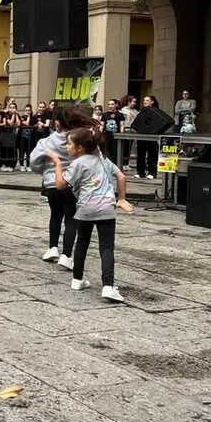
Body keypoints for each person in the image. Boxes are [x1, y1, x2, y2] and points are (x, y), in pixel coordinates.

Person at [49, 127, 132, 303]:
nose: (67, 147)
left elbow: (60, 185)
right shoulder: (104, 161)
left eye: (69, 144)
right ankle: (108, 286)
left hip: (85, 208)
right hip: (106, 209)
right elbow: (122, 177)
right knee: (106, 248)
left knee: (82, 243)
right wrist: (121, 198)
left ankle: (77, 279)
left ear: (80, 148)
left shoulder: (78, 163)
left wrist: (57, 164)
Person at [29, 108, 95, 271]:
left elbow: (33, 162)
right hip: (72, 183)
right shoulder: (78, 139)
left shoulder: (46, 142)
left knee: (55, 215)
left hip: (52, 183)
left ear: (57, 123)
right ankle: (66, 255)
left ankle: (52, 248)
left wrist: (45, 171)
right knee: (71, 218)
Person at [133, 95, 162, 179]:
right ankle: (140, 172)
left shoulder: (156, 111)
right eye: (144, 100)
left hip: (152, 136)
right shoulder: (142, 111)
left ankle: (152, 172)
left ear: (152, 102)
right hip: (142, 135)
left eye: (147, 100)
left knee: (152, 155)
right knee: (140, 155)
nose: (145, 102)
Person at [119, 95, 139, 171]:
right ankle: (123, 163)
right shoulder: (123, 110)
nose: (134, 103)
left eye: (135, 102)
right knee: (125, 147)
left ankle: (126, 164)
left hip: (133, 131)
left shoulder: (135, 111)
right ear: (129, 102)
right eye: (133, 102)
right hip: (126, 130)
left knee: (129, 147)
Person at [17, 105, 36, 171]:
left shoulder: (33, 118)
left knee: (29, 152)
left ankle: (28, 165)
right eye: (26, 110)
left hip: (30, 137)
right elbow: (27, 124)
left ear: (31, 111)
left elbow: (35, 124)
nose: (27, 111)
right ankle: (22, 165)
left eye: (29, 110)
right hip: (22, 137)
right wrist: (28, 117)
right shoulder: (22, 117)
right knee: (22, 151)